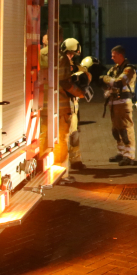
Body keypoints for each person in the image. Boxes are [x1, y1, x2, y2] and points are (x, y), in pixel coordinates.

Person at [56, 38, 89, 178]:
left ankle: (75, 161)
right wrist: (81, 93)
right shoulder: (62, 65)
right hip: (65, 107)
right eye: (71, 54)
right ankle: (62, 171)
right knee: (64, 139)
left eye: (73, 55)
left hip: (72, 107)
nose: (71, 57)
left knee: (74, 136)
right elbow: (66, 84)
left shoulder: (71, 65)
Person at [100, 45, 137, 166]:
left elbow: (118, 82)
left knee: (126, 129)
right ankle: (121, 152)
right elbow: (108, 84)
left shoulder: (129, 69)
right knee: (116, 130)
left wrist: (104, 78)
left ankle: (129, 156)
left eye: (114, 56)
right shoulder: (114, 69)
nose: (112, 58)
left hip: (123, 104)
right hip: (114, 104)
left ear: (120, 55)